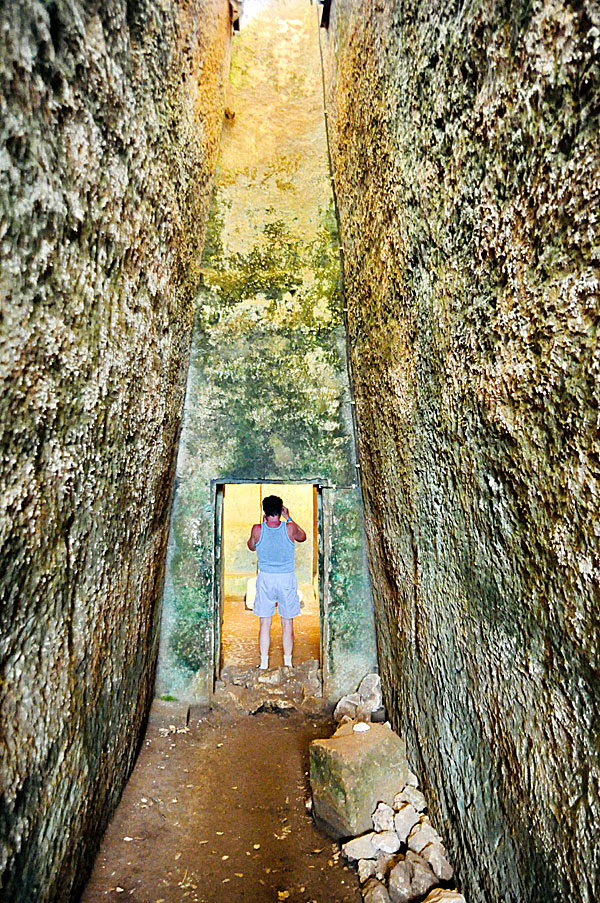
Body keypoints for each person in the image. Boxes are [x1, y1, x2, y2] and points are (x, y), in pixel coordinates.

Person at [247, 495, 306, 669]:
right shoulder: (290, 528)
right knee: (287, 622)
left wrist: (261, 526)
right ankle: (287, 663)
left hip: (266, 578)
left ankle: (264, 664)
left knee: (265, 622)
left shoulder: (257, 529)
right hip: (286, 578)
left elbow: (251, 546)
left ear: (264, 511)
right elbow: (303, 537)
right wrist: (289, 517)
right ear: (281, 510)